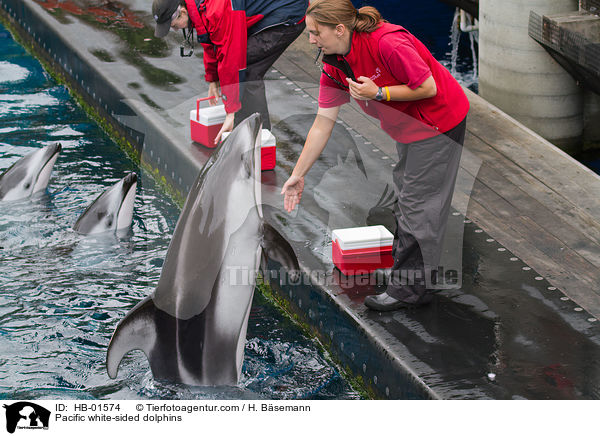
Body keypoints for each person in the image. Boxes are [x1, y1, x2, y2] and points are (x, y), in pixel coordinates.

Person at [281, 0, 470, 311]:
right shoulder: (334, 64)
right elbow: (322, 123)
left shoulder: (387, 43)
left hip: (438, 123)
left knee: (417, 206)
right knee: (409, 196)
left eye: (315, 32)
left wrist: (380, 93)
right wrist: (298, 174)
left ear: (339, 29)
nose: (310, 39)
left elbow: (428, 87)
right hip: (409, 129)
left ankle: (408, 292)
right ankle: (411, 274)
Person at [152, 0, 308, 143]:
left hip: (288, 11)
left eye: (174, 25)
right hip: (264, 9)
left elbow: (232, 57)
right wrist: (213, 79)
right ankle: (243, 132)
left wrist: (231, 111)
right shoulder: (198, 7)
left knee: (248, 71)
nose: (175, 29)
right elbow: (210, 40)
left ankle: (259, 141)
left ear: (183, 12)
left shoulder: (217, 10)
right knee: (240, 69)